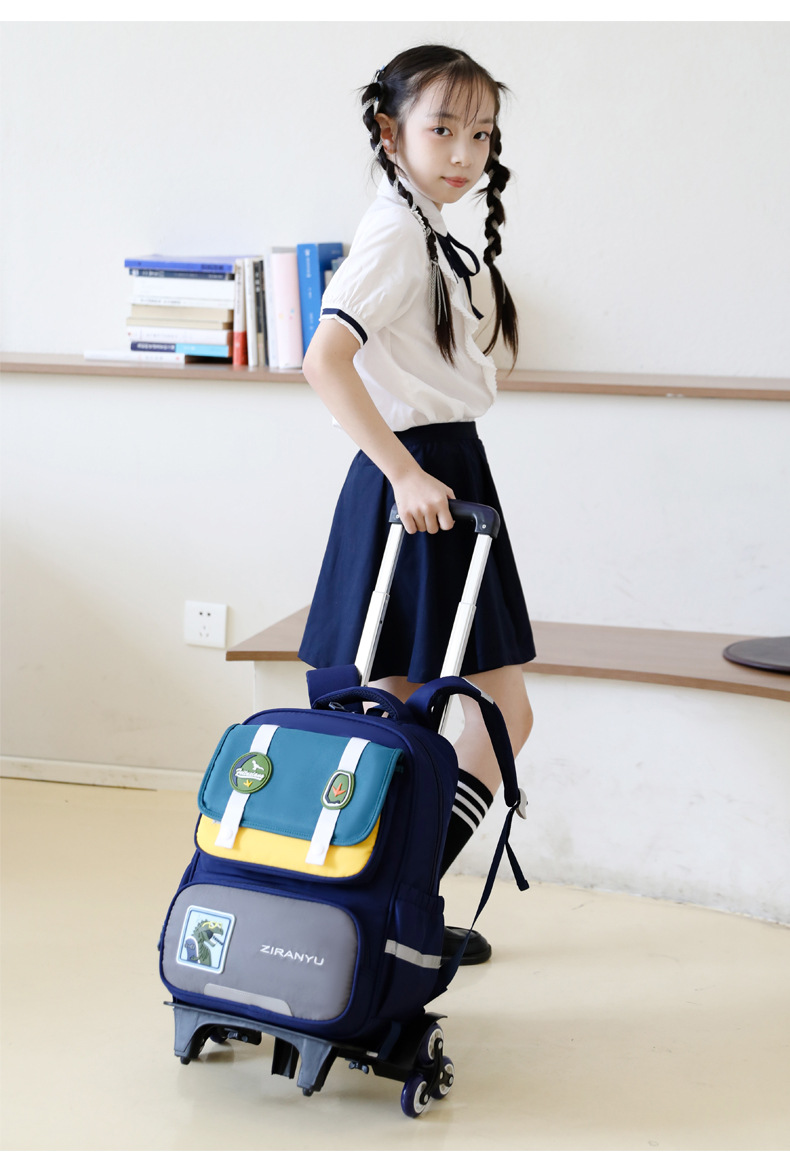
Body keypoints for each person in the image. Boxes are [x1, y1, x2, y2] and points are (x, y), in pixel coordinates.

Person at [299, 44, 535, 965]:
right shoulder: (397, 233)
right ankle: (379, 916)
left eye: (481, 134)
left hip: (447, 473)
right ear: (390, 132)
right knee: (397, 720)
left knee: (452, 719)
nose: (465, 152)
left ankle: (396, 905)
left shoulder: (429, 231)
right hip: (418, 480)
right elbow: (324, 359)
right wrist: (402, 474)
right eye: (443, 129)